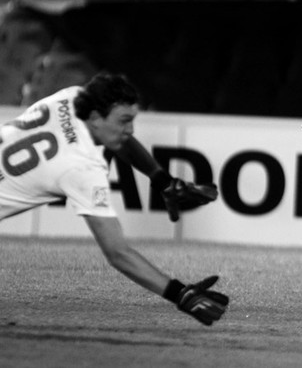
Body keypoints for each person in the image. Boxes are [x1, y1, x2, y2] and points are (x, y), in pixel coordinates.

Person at [0, 72, 229, 325]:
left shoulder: (72, 97)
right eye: (124, 121)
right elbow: (118, 253)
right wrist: (181, 294)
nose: (130, 130)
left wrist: (161, 178)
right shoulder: (83, 168)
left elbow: (120, 140)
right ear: (96, 118)